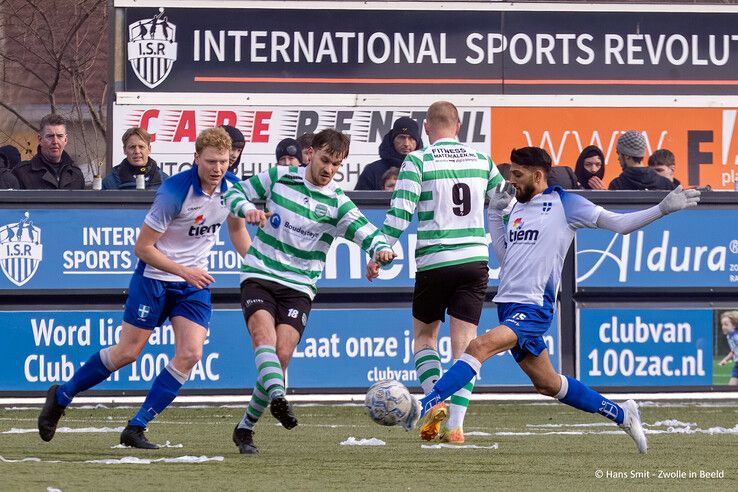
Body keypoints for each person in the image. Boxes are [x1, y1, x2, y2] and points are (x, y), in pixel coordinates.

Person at [408, 146, 701, 454]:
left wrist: (662, 209)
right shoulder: (517, 207)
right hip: (508, 306)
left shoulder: (566, 203)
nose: (511, 182)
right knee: (548, 384)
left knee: (477, 347)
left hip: (534, 308)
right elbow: (507, 258)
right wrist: (494, 214)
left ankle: (422, 404)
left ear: (538, 175)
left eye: (517, 176)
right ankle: (622, 413)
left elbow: (620, 224)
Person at [37, 127, 251, 449]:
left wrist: (257, 261)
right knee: (127, 353)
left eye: (223, 162)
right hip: (154, 279)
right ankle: (62, 395)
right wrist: (183, 271)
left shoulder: (233, 189)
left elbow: (237, 231)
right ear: (196, 159)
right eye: (211, 162)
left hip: (193, 284)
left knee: (191, 354)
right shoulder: (174, 191)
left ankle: (136, 426)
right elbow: (143, 248)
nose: (218, 169)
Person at [224, 128, 395, 454]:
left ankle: (245, 427)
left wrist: (381, 253)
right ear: (310, 153)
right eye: (325, 159)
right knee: (264, 338)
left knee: (282, 356)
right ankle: (278, 397)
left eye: (336, 164)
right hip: (260, 273)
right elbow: (232, 195)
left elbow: (369, 235)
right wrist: (247, 210)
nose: (329, 169)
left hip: (299, 287)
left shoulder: (337, 202)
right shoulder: (280, 177)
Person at [368, 101, 505, 444]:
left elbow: (399, 213)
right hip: (474, 260)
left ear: (427, 128)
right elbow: (506, 204)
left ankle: (435, 403)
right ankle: (456, 425)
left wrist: (379, 252)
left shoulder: (418, 160)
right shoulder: (482, 160)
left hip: (435, 261)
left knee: (425, 338)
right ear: (458, 126)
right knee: (467, 346)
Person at [13, 114, 84, 190]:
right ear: (40, 140)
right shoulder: (22, 173)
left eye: (59, 136)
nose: (55, 141)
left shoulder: (76, 175)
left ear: (65, 140)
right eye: (50, 136)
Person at [355, 117, 423, 190]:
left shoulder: (426, 169)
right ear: (392, 140)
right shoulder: (372, 171)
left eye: (411, 138)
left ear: (417, 142)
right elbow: (360, 201)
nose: (406, 143)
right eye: (401, 137)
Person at [103, 127, 168, 190]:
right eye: (132, 147)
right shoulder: (110, 182)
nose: (137, 151)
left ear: (149, 149)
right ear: (124, 150)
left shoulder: (165, 182)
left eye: (141, 147)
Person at [608, 131, 675, 191]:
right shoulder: (666, 185)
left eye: (618, 153)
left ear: (627, 155)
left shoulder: (617, 185)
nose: (618, 158)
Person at [718, 311, 738, 386]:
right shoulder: (729, 336)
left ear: (734, 326)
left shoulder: (736, 336)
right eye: (722, 325)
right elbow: (734, 351)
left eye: (726, 324)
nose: (723, 327)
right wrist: (725, 360)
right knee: (731, 388)